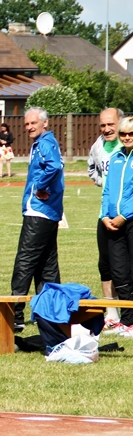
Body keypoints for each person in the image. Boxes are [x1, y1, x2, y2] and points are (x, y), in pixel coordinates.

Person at [11, 107, 65, 329]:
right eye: (26, 124)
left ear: (45, 123)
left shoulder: (44, 143)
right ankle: (50, 313)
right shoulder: (45, 143)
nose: (29, 127)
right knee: (47, 264)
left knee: (25, 260)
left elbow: (54, 166)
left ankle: (15, 315)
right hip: (48, 212)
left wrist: (40, 186)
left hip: (39, 211)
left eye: (33, 123)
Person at [88, 108, 124, 330]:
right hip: (105, 213)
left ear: (121, 123)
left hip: (126, 213)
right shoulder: (98, 145)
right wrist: (102, 181)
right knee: (106, 264)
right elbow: (92, 168)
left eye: (111, 124)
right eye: (103, 125)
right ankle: (111, 313)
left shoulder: (128, 144)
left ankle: (128, 314)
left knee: (125, 266)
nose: (107, 129)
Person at [100, 116, 133, 337]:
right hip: (112, 223)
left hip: (130, 220)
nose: (127, 137)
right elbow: (107, 190)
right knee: (120, 274)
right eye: (123, 134)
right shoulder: (116, 157)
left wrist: (125, 215)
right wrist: (104, 215)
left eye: (131, 134)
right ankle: (127, 321)